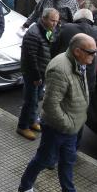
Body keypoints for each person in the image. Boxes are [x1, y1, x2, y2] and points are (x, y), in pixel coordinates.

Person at [16, 34, 97, 192]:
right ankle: (24, 190)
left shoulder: (80, 63)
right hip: (58, 127)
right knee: (44, 159)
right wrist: (68, 123)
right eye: (91, 52)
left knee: (68, 161)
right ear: (77, 51)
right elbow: (50, 104)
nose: (94, 56)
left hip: (71, 126)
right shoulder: (60, 69)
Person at [17, 8, 59, 140]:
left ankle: (32, 120)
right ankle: (22, 126)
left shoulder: (48, 30)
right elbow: (31, 58)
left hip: (42, 71)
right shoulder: (33, 34)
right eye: (52, 20)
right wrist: (36, 77)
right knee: (30, 100)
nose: (55, 24)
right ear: (44, 18)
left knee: (37, 98)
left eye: (56, 21)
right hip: (33, 73)